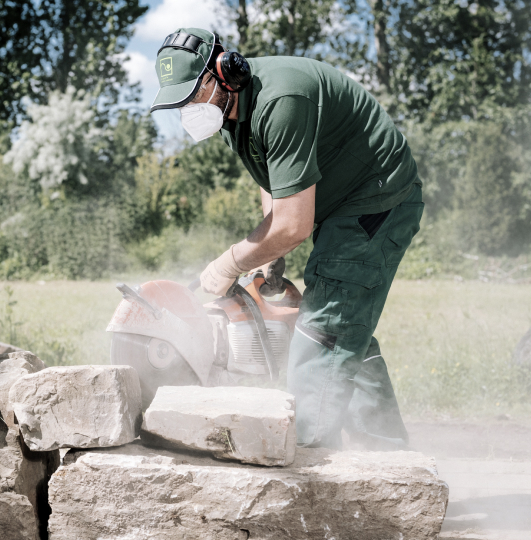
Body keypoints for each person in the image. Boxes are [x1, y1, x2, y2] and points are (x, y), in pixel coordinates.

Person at [150, 28, 424, 450]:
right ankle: (390, 454)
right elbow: (273, 181)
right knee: (347, 325)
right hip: (338, 204)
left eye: (192, 94)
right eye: (179, 101)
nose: (188, 108)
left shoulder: (281, 100)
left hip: (376, 200)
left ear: (225, 71)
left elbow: (294, 224)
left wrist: (231, 263)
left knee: (322, 332)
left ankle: (304, 462)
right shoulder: (230, 113)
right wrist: (268, 254)